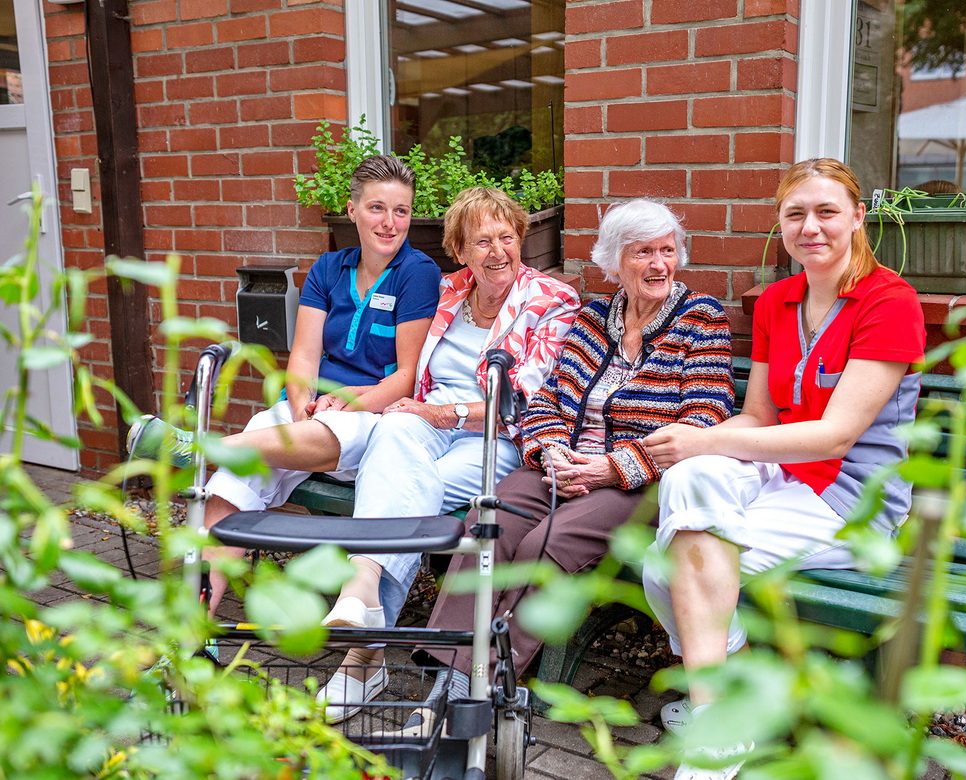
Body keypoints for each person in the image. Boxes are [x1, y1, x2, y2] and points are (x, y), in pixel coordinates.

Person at [398, 198, 736, 734]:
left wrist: (613, 467)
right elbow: (547, 401)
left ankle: (487, 686)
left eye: (667, 251)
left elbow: (705, 418)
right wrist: (552, 452)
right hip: (565, 465)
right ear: (614, 262)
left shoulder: (701, 319)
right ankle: (452, 682)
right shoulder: (596, 318)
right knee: (488, 521)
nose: (658, 264)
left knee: (546, 543)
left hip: (640, 480)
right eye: (643, 253)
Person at [642, 159, 927, 780]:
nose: (810, 227)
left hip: (850, 497)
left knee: (666, 565)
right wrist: (700, 446)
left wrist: (704, 441)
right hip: (784, 478)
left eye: (827, 212)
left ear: (858, 217)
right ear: (780, 223)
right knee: (688, 481)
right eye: (795, 214)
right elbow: (758, 417)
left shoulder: (889, 301)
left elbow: (837, 434)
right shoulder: (777, 301)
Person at [129, 154, 441, 613]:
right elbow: (304, 359)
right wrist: (301, 409)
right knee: (233, 483)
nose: (390, 223)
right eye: (377, 208)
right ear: (352, 210)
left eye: (401, 211)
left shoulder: (418, 272)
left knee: (309, 433)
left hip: (373, 417)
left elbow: (406, 376)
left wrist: (345, 405)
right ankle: (195, 624)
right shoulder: (329, 269)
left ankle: (202, 448)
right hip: (308, 415)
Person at [315, 187, 581, 723]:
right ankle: (364, 595)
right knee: (395, 437)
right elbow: (408, 370)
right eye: (482, 241)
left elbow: (524, 397)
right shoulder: (448, 291)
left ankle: (363, 652)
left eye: (507, 237)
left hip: (496, 438)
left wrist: (442, 414)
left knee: (407, 485)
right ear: (459, 250)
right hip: (426, 421)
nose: (498, 251)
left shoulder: (552, 300)